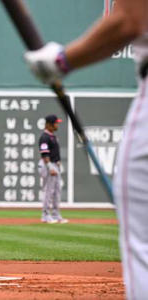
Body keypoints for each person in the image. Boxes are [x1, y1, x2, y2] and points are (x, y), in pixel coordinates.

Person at [24, 0, 147, 298]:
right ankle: (48, 215)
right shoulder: (46, 136)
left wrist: (61, 61)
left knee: (142, 241)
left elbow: (129, 20)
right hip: (49, 166)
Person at [38, 114, 68, 224]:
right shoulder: (44, 137)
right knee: (48, 191)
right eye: (55, 123)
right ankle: (45, 215)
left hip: (55, 164)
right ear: (49, 124)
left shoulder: (53, 136)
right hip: (48, 165)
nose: (57, 125)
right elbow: (45, 154)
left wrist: (58, 164)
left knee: (57, 191)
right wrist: (50, 166)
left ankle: (55, 214)